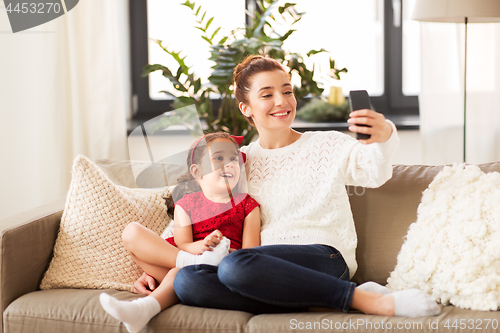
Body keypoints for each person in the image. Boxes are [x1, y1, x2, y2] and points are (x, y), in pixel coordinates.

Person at [134, 55, 440, 318]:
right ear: (246, 108)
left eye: (287, 91)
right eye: (267, 95)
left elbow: (374, 172)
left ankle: (365, 299)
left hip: (323, 257)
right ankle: (311, 297)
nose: (282, 101)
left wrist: (383, 133)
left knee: (234, 266)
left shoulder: (326, 144)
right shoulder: (239, 162)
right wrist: (161, 265)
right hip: (263, 270)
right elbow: (201, 209)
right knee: (188, 281)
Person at [100, 132, 261, 333]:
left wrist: (225, 253)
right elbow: (182, 243)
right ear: (196, 171)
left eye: (233, 159)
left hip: (220, 270)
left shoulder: (247, 205)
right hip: (186, 260)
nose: (228, 164)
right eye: (218, 158)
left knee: (179, 273)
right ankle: (188, 268)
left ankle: (141, 309)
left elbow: (251, 255)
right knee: (131, 233)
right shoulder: (186, 204)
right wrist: (201, 247)